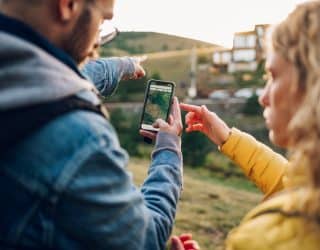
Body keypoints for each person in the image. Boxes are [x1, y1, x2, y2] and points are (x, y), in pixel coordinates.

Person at [0, 0, 183, 249]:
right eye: (102, 20)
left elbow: (52, 75)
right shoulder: (81, 141)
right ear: (67, 5)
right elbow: (145, 238)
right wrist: (169, 149)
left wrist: (121, 66)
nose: (98, 42)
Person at [180, 0, 320, 249]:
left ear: (316, 87)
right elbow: (289, 182)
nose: (263, 96)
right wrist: (227, 138)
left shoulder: (264, 239)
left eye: (273, 75)